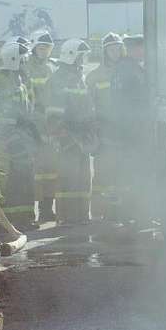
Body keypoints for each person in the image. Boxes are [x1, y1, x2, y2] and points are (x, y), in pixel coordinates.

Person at [46, 38, 95, 226]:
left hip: (81, 137)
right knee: (68, 179)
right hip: (68, 137)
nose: (83, 60)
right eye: (81, 56)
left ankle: (81, 215)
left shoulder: (77, 78)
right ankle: (66, 217)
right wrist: (63, 136)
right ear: (71, 57)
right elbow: (54, 114)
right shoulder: (59, 79)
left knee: (83, 178)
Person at [0, 40, 38, 231]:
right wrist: (8, 135)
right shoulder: (2, 81)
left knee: (25, 176)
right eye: (22, 59)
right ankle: (9, 220)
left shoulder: (19, 79)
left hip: (21, 136)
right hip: (8, 137)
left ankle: (25, 217)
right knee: (11, 179)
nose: (25, 62)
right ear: (12, 60)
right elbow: (0, 112)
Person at [111, 34, 149, 223]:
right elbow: (133, 101)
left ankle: (127, 212)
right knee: (131, 173)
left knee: (128, 172)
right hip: (130, 130)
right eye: (141, 48)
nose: (144, 51)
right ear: (134, 49)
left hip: (127, 129)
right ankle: (128, 213)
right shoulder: (129, 70)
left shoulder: (125, 68)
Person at [86, 32, 124, 220]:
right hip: (103, 132)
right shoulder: (94, 76)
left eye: (118, 48)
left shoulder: (127, 72)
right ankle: (99, 213)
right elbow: (87, 105)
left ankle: (117, 212)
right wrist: (94, 130)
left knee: (120, 173)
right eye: (111, 49)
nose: (115, 52)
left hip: (123, 131)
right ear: (104, 52)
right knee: (102, 174)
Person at [28, 30, 58, 224]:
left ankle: (48, 208)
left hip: (52, 125)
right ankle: (38, 210)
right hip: (35, 127)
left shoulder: (53, 68)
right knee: (37, 171)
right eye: (40, 47)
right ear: (34, 48)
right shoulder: (27, 67)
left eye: (47, 48)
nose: (44, 51)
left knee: (53, 169)